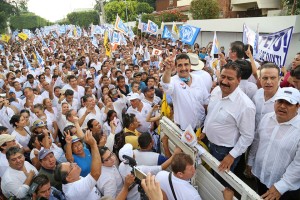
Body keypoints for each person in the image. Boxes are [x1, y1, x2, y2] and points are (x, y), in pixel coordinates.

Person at [203, 62, 255, 175]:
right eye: (223, 76)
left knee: (220, 181)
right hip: (209, 143)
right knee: (209, 174)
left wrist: (231, 156)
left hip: (225, 152)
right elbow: (211, 114)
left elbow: (248, 136)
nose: (225, 81)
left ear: (238, 80)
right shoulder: (216, 91)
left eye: (230, 78)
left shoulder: (246, 106)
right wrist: (204, 131)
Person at [247, 87, 300, 200]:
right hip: (260, 175)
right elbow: (257, 141)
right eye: (280, 101)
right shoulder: (267, 118)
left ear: (298, 106)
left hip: (284, 188)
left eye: (288, 103)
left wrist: (281, 186)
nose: (282, 106)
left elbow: (298, 164)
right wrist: (250, 161)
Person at [160, 53, 210, 130]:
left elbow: (206, 101)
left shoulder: (198, 79)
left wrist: (206, 126)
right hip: (184, 130)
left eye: (186, 64)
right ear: (176, 67)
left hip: (201, 127)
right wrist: (168, 70)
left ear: (190, 66)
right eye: (180, 65)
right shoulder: (173, 81)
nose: (183, 68)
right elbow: (166, 85)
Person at [54, 130, 102, 200]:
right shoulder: (76, 190)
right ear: (68, 178)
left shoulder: (72, 178)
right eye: (71, 166)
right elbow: (96, 173)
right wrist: (93, 145)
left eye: (79, 144)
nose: (75, 164)